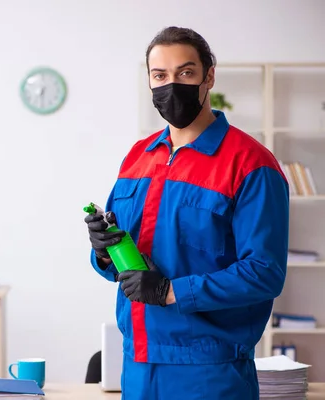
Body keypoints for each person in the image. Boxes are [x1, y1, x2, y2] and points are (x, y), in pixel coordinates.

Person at [85, 26, 289, 400]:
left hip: (211, 373)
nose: (171, 84)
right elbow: (127, 264)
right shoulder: (138, 157)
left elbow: (265, 273)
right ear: (149, 81)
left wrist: (170, 291)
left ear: (209, 76)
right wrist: (103, 250)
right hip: (137, 364)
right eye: (160, 75)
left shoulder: (250, 165)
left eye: (186, 72)